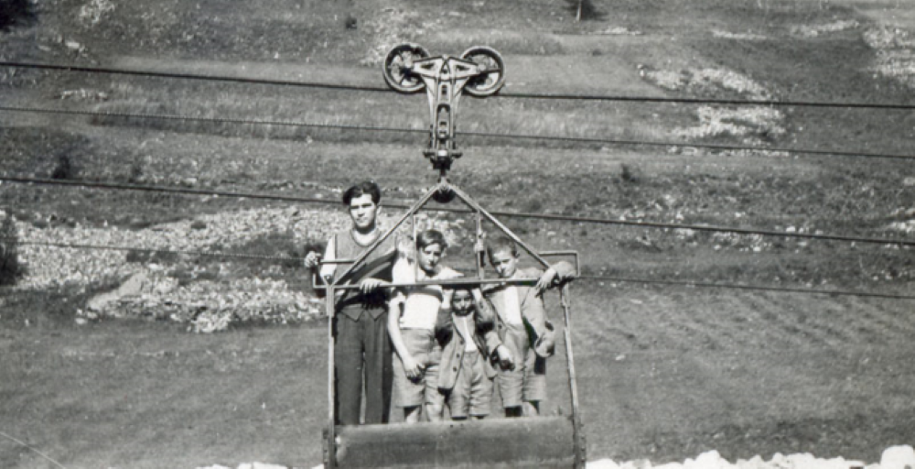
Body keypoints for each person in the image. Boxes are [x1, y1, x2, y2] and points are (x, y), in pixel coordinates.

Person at [304, 181, 399, 425]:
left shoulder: (393, 240)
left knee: (379, 386)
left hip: (379, 317)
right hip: (346, 320)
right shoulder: (337, 241)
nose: (360, 211)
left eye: (366, 205)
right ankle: (348, 452)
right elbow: (322, 288)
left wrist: (381, 283)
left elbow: (404, 283)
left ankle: (374, 452)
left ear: (378, 208)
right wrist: (313, 268)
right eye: (355, 207)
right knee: (347, 386)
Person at [483, 235, 576, 417]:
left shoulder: (532, 277)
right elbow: (486, 326)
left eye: (506, 261)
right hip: (508, 344)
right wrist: (497, 347)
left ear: (516, 258)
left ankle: (534, 441)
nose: (502, 267)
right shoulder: (489, 289)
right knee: (512, 404)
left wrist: (552, 271)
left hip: (534, 344)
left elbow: (570, 269)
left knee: (531, 402)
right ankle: (515, 443)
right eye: (497, 263)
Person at [387, 229, 462, 423]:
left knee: (436, 409)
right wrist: (406, 358)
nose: (431, 258)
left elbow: (464, 278)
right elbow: (392, 322)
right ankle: (414, 454)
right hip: (410, 344)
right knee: (412, 413)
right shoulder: (405, 274)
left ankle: (439, 453)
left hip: (436, 344)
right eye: (427, 252)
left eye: (436, 254)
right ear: (418, 250)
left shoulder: (444, 274)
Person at [436, 286, 514, 421]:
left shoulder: (476, 315)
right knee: (459, 407)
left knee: (480, 406)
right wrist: (447, 300)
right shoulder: (450, 316)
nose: (462, 304)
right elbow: (441, 326)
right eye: (457, 300)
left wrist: (477, 295)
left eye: (467, 299)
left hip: (479, 362)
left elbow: (488, 319)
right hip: (458, 367)